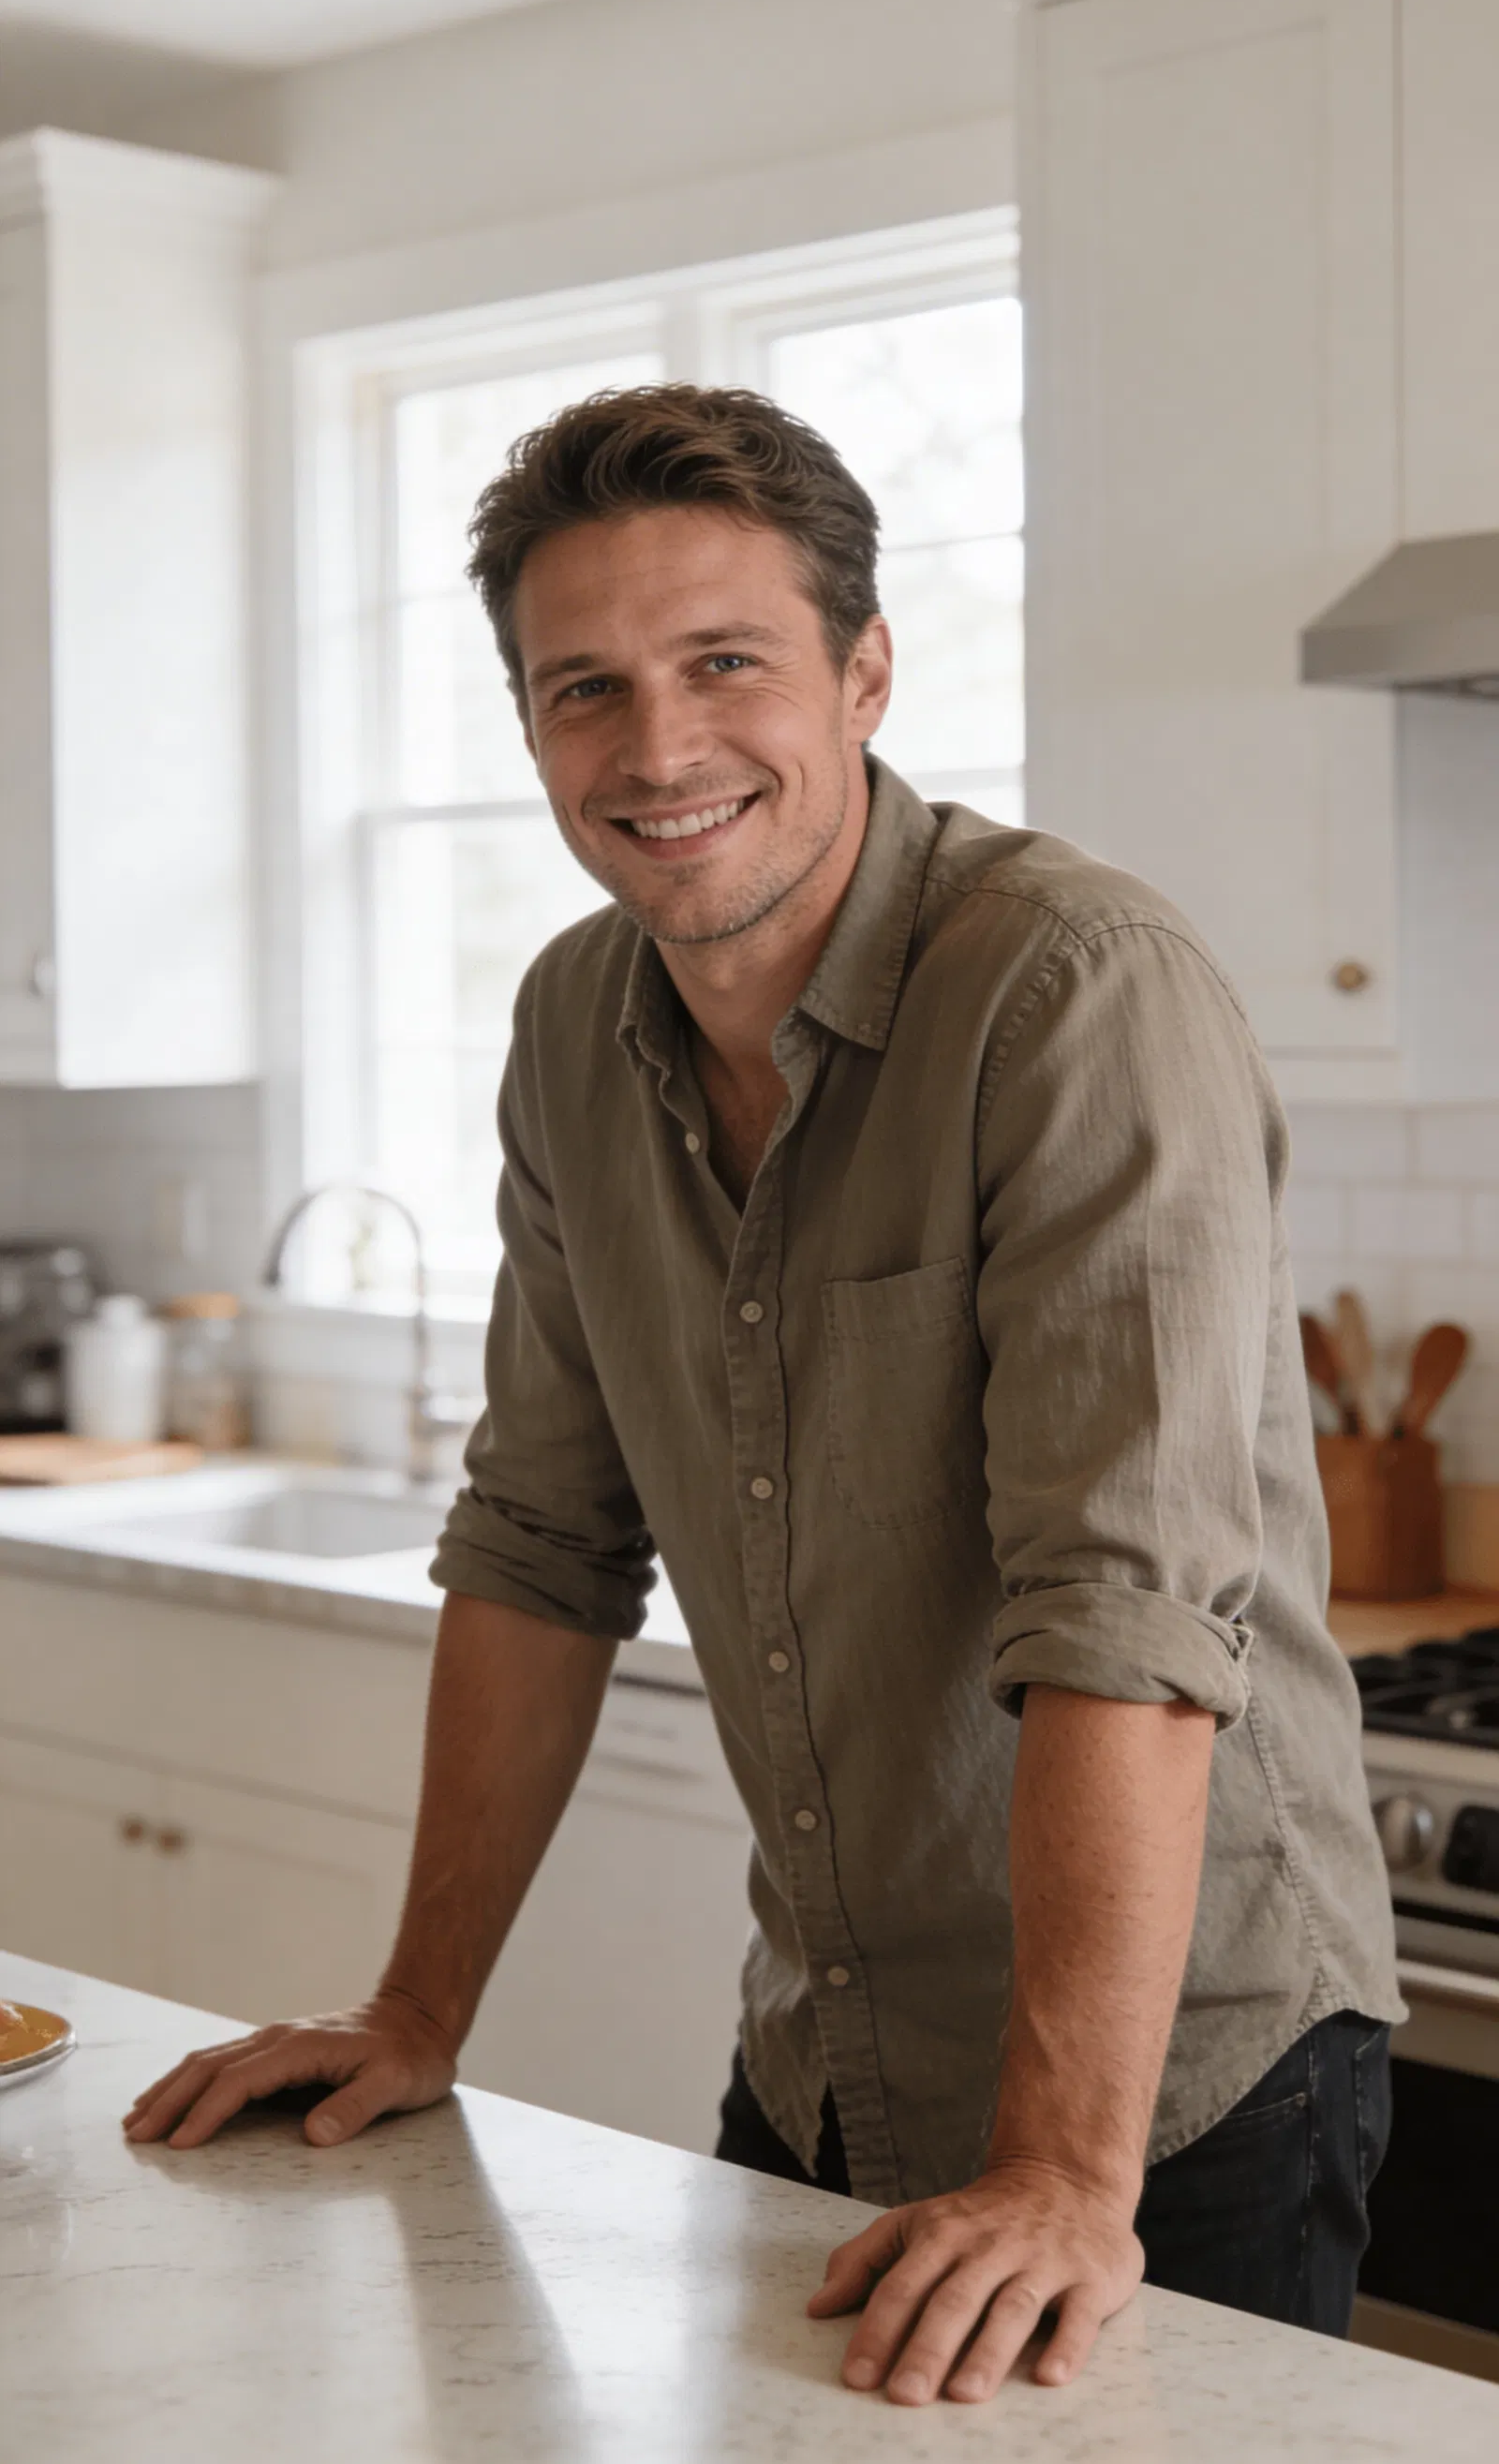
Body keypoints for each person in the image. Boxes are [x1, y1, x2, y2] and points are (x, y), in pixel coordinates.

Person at [126, 384, 1401, 2405]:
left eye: (724, 663)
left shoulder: (1072, 992)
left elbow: (1121, 1611)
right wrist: (413, 2008)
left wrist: (1062, 2174)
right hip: (827, 2035)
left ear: (865, 669)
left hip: (1164, 2089)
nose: (656, 750)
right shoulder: (568, 1023)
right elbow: (543, 1541)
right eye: (582, 690)